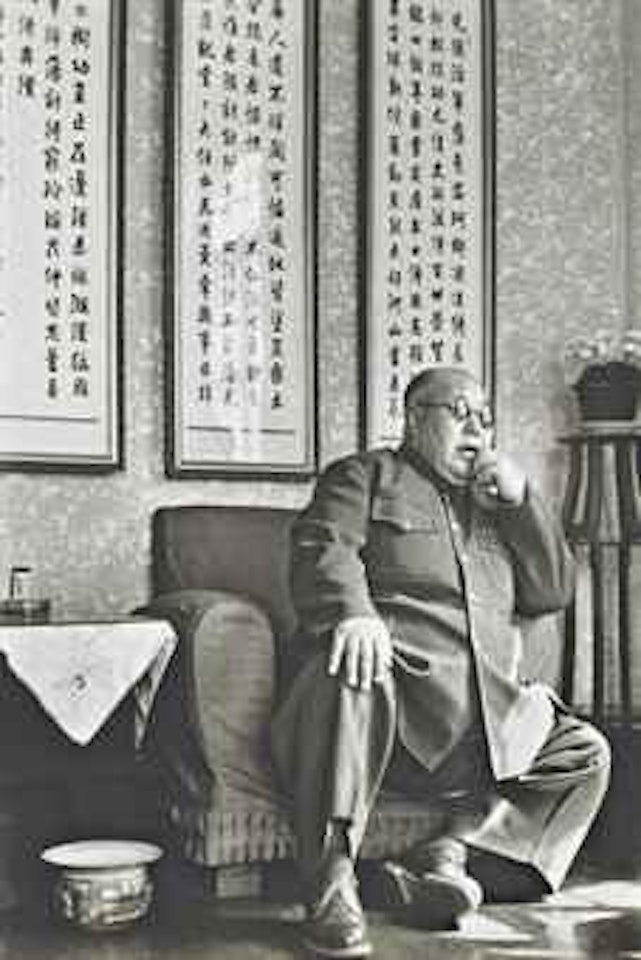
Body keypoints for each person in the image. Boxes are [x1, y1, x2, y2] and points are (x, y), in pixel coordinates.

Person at [271, 366, 611, 959]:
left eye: (485, 418)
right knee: (352, 666)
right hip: (392, 716)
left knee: (585, 752)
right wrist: (353, 612)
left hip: (485, 727)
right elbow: (323, 546)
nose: (477, 428)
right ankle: (331, 885)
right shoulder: (363, 476)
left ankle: (447, 854)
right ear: (413, 420)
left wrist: (523, 504)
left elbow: (552, 592)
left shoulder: (498, 503)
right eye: (460, 413)